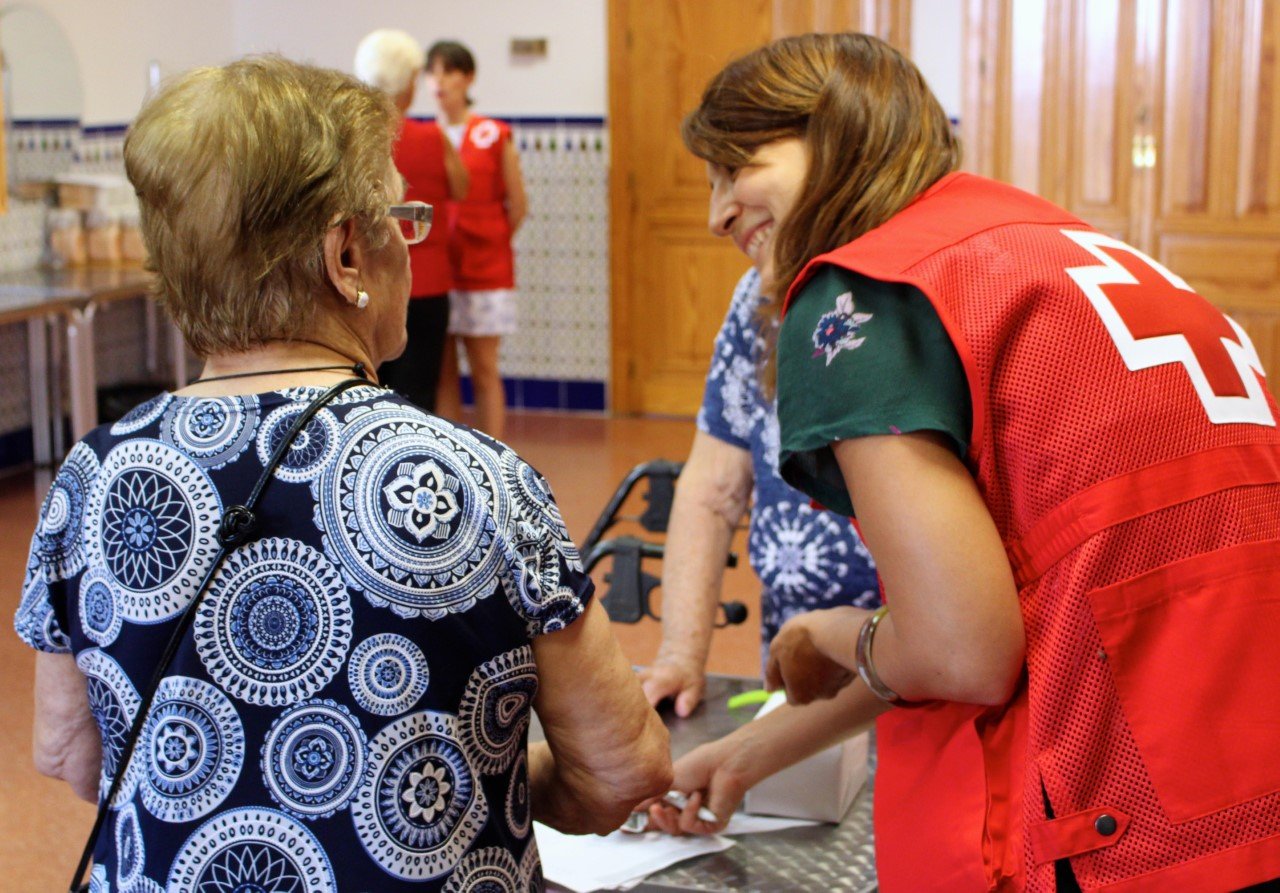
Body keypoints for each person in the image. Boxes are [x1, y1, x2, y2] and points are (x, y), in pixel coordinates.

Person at [15, 55, 670, 893]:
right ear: (348, 254)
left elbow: (70, 752)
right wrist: (477, 783)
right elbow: (623, 768)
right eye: (403, 217)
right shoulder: (476, 477)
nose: (411, 241)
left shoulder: (89, 476)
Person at [652, 32, 1280, 893]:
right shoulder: (1044, 242)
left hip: (1118, 803)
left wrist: (822, 631)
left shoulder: (858, 293)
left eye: (736, 168)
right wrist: (748, 751)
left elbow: (963, 651)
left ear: (837, 133)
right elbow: (981, 608)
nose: (716, 214)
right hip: (1236, 758)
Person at [637, 262, 880, 720]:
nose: (718, 225)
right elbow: (714, 489)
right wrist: (679, 656)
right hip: (801, 666)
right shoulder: (761, 287)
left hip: (917, 676)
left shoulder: (915, 284)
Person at [354, 29, 468, 413]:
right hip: (427, 282)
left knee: (368, 390)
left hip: (368, 280)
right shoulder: (432, 137)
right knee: (419, 394)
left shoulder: (352, 141)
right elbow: (461, 187)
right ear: (409, 82)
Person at [427, 39, 527, 439]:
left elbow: (518, 204)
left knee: (484, 368)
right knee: (442, 372)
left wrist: (491, 241)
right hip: (438, 271)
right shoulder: (424, 135)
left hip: (485, 270)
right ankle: (451, 454)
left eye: (449, 71)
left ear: (468, 78)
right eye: (433, 71)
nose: (439, 81)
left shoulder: (493, 134)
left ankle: (495, 456)